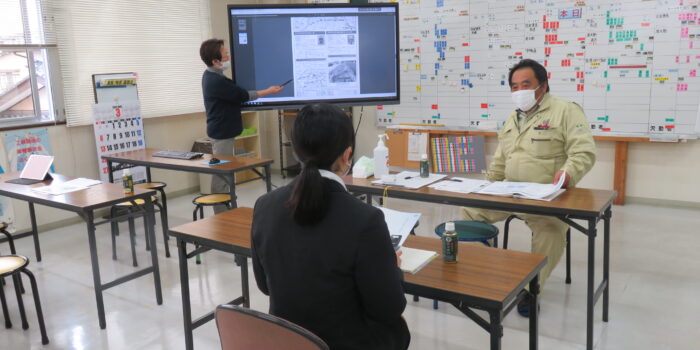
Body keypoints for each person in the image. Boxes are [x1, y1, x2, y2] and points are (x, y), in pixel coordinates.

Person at [251, 103, 410, 350]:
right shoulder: (365, 219)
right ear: (347, 156)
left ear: (296, 152)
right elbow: (388, 308)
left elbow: (264, 286)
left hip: (288, 340)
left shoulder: (264, 205)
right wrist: (393, 267)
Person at [461, 59, 596, 316]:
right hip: (509, 193)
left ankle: (531, 290)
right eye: (514, 86)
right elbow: (501, 161)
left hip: (546, 198)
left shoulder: (566, 111)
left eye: (526, 84)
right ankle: (486, 279)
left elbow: (584, 151)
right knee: (469, 211)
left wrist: (567, 175)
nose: (519, 91)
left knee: (553, 228)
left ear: (542, 86)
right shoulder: (513, 118)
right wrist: (486, 187)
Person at [199, 38, 283, 213]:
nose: (228, 55)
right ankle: (222, 216)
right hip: (221, 133)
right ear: (215, 61)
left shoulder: (214, 75)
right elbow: (243, 95)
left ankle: (226, 209)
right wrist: (269, 91)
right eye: (225, 53)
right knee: (221, 174)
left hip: (224, 130)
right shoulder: (215, 81)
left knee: (225, 171)